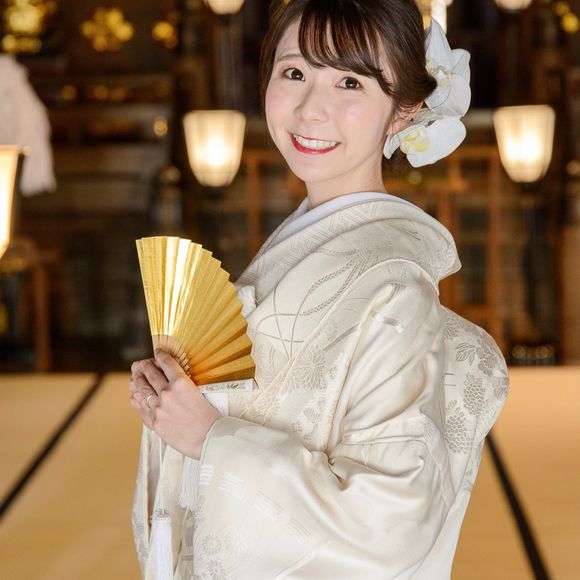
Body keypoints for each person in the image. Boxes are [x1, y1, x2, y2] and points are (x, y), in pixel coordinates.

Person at [129, 1, 508, 578]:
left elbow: (392, 520)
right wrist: (174, 402)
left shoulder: (392, 285)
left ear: (404, 111)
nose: (310, 109)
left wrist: (211, 437)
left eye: (350, 82)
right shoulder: (305, 246)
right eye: (294, 72)